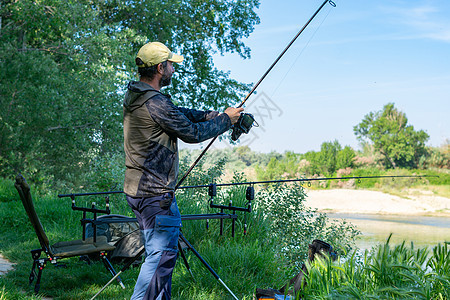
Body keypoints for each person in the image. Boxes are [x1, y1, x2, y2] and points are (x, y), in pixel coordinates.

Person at [123, 41, 243, 300]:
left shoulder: (138, 95)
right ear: (159, 68)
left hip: (140, 190)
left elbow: (179, 113)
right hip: (154, 193)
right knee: (159, 257)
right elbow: (192, 133)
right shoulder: (154, 103)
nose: (173, 71)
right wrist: (226, 120)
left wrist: (216, 115)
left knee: (163, 257)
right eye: (170, 66)